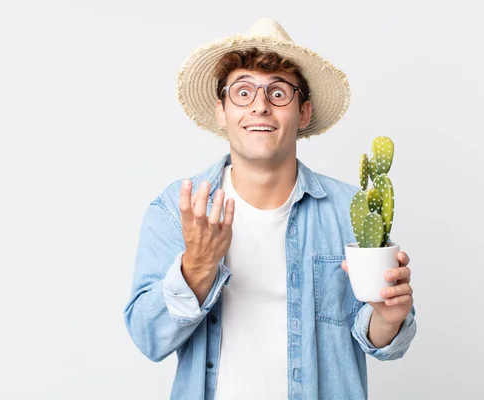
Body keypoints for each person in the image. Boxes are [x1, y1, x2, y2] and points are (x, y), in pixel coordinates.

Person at [124, 18, 416, 400]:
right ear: (221, 111)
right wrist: (196, 267)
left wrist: (389, 317)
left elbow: (380, 337)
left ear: (304, 113)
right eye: (243, 92)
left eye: (278, 93)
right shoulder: (178, 209)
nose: (260, 106)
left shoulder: (352, 210)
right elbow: (149, 338)